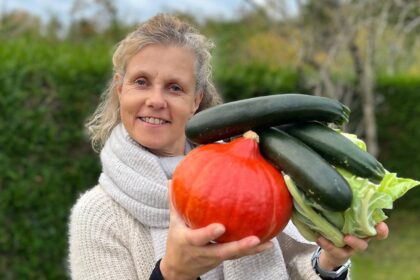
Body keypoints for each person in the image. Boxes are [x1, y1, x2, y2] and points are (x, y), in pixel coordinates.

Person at [68, 13, 388, 280]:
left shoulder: (258, 172)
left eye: (174, 87)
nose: (155, 100)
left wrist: (330, 263)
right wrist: (171, 274)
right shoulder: (98, 216)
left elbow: (299, 268)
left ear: (195, 101)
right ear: (120, 88)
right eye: (140, 82)